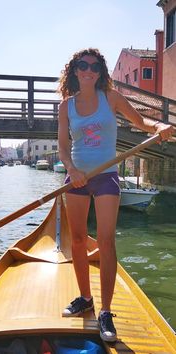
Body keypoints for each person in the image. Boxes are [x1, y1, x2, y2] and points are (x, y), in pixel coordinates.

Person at [57, 48, 174, 342]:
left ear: (100, 72)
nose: (88, 70)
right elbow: (61, 145)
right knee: (80, 240)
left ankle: (106, 311)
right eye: (83, 65)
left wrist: (159, 126)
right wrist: (72, 169)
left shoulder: (111, 98)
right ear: (74, 70)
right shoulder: (65, 107)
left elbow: (141, 123)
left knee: (106, 241)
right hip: (77, 179)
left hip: (107, 177)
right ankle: (85, 297)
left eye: (94, 67)